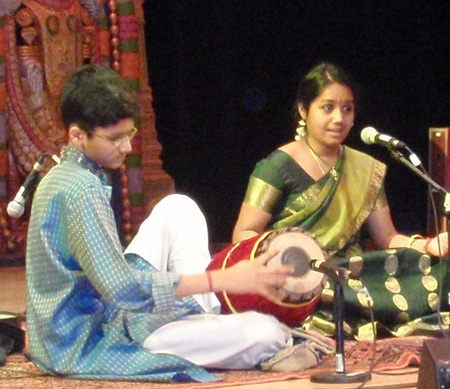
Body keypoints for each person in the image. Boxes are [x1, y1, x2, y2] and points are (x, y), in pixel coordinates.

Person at [25, 64, 303, 383]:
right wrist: (224, 279)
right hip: (92, 339)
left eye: (128, 134)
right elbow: (124, 290)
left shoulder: (65, 176)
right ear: (77, 134)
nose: (127, 148)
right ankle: (210, 320)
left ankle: (205, 318)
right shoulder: (82, 189)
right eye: (114, 138)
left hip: (101, 315)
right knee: (266, 332)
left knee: (178, 207)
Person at [231, 62, 449, 339]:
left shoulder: (365, 168)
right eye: (327, 107)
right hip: (302, 274)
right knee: (327, 286)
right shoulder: (276, 167)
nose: (339, 118)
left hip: (354, 273)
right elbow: (243, 233)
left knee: (436, 269)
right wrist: (287, 257)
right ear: (303, 110)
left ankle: (356, 312)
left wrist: (428, 245)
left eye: (347, 108)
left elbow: (388, 238)